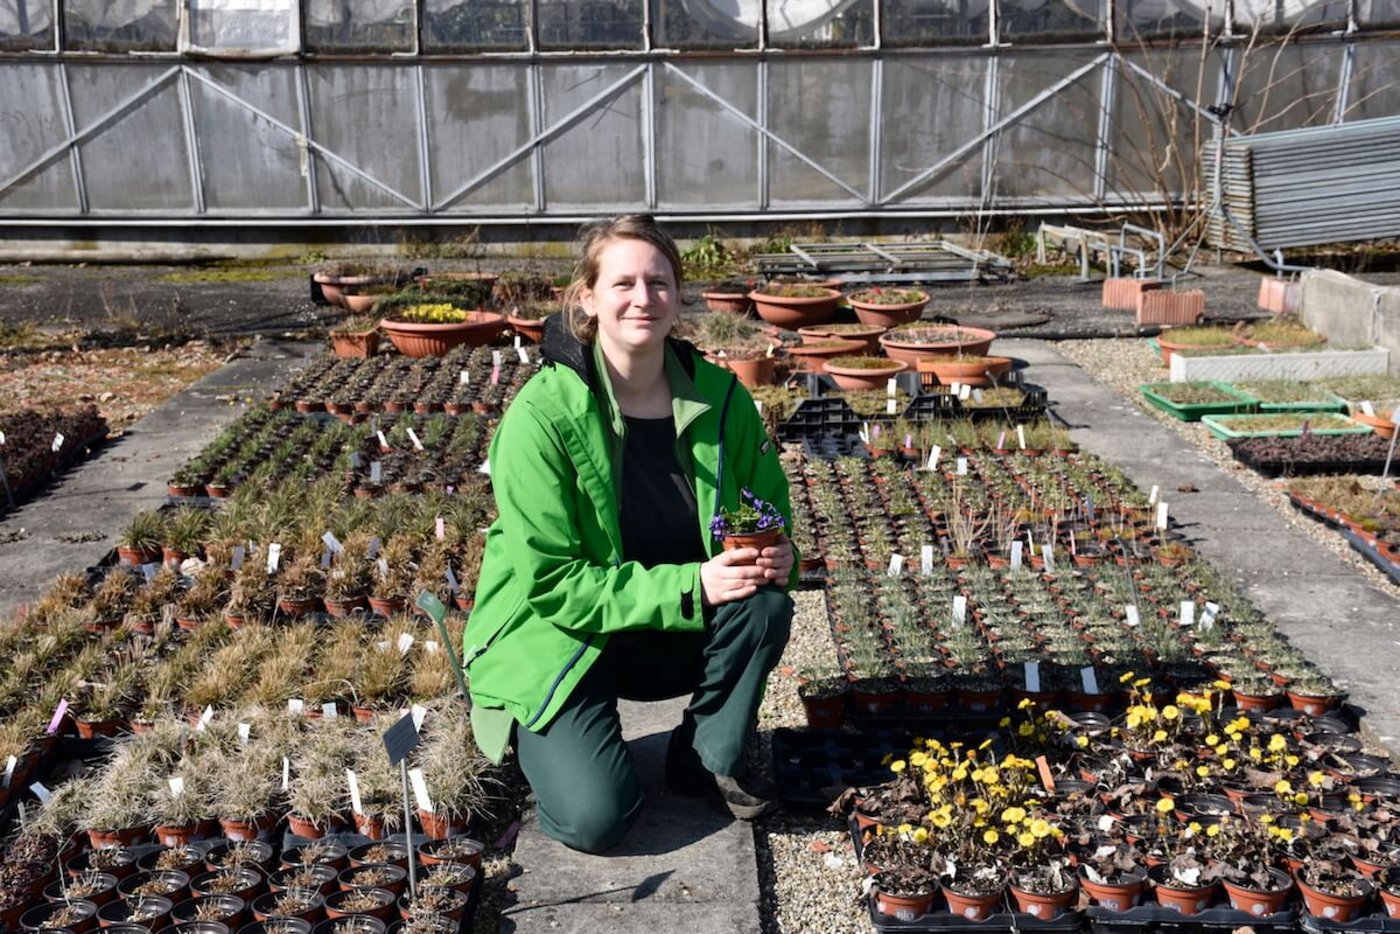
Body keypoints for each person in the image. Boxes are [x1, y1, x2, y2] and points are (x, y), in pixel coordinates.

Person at [462, 215, 797, 854]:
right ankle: (555, 744)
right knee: (596, 819)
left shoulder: (721, 398)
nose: (643, 298)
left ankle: (702, 756)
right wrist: (696, 583)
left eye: (659, 282)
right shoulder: (543, 416)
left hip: (669, 622)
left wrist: (777, 555)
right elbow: (554, 585)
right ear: (587, 297)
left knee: (764, 602)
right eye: (623, 283)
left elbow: (767, 509)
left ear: (678, 294)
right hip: (562, 635)